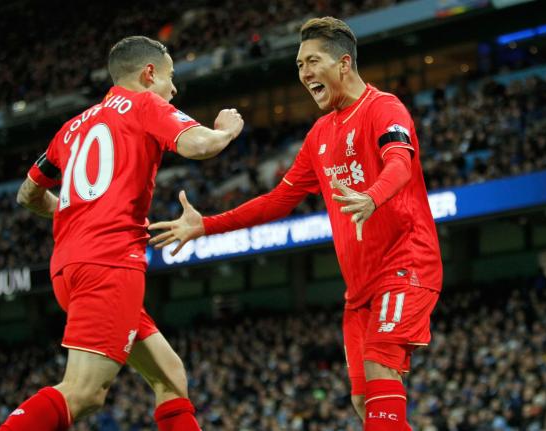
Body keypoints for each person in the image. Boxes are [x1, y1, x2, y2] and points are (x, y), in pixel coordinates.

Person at [149, 17, 442, 430]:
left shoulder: (384, 107)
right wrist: (206, 226)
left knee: (380, 371)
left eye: (312, 61)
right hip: (359, 287)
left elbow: (400, 160)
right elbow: (277, 201)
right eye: (299, 65)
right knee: (363, 401)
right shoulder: (320, 133)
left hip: (405, 265)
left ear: (344, 63)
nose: (304, 73)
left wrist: (372, 196)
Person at [0, 35, 244, 431]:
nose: (174, 88)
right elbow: (199, 145)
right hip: (109, 263)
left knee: (170, 377)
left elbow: (28, 194)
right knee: (84, 393)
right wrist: (227, 130)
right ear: (149, 74)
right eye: (170, 77)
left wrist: (73, 212)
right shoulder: (146, 104)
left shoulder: (72, 127)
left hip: (68, 266)